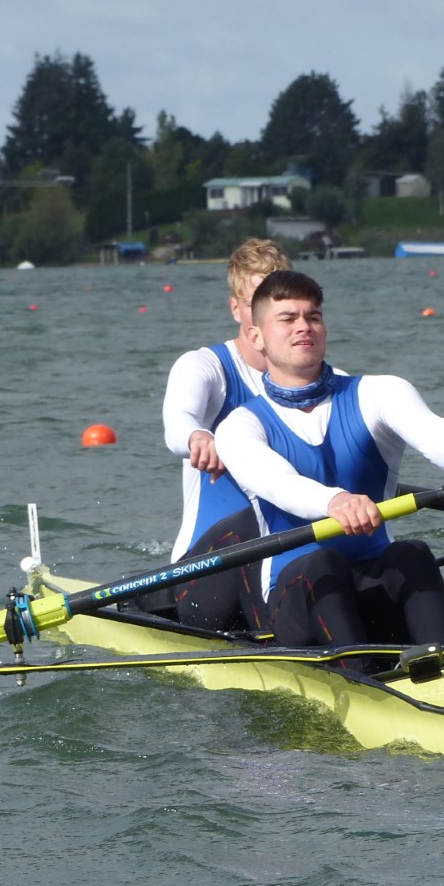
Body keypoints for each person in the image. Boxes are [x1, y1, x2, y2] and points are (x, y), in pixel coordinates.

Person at [214, 269, 444, 647]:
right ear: (256, 336)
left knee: (411, 553)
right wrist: (335, 501)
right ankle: (358, 668)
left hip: (371, 587)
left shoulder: (379, 393)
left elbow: (428, 428)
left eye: (313, 317)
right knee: (325, 563)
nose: (303, 326)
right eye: (287, 318)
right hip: (298, 597)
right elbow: (278, 483)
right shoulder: (239, 426)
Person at [160, 238, 293, 630]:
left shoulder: (316, 382)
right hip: (203, 578)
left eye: (278, 301)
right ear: (235, 308)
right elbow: (178, 420)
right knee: (256, 520)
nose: (267, 314)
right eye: (256, 302)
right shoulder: (206, 367)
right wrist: (199, 438)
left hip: (281, 565)